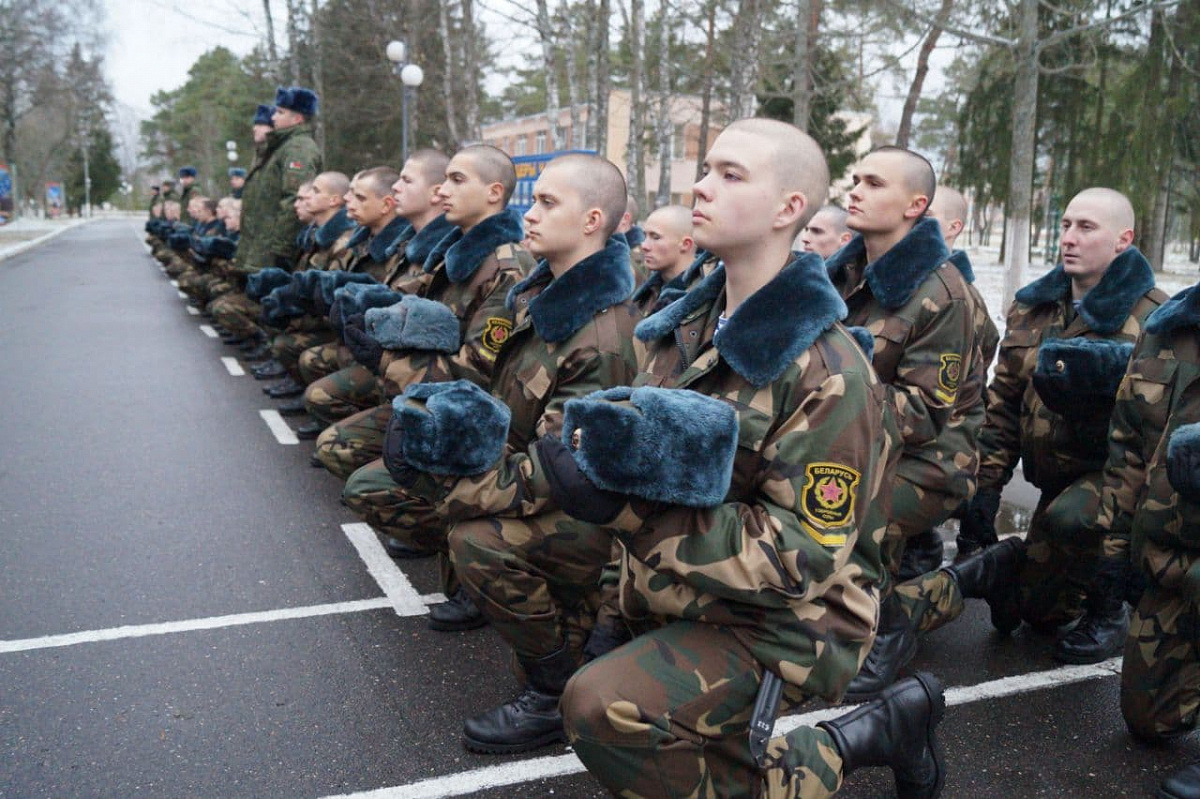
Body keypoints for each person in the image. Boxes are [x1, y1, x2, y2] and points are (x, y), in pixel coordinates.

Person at [557, 118, 941, 799]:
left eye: (731, 175)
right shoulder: (683, 329)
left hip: (796, 621)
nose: (701, 187)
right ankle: (867, 734)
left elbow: (802, 555)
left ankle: (843, 747)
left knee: (603, 706)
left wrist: (630, 515)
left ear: (789, 208)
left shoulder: (829, 369)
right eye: (706, 170)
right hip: (689, 590)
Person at [363, 153, 641, 754]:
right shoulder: (536, 294)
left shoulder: (602, 335)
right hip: (521, 473)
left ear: (593, 219)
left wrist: (449, 491)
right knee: (391, 481)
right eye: (532, 199)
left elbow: (557, 470)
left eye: (547, 203)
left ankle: (552, 690)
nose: (529, 214)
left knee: (476, 539)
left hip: (590, 518)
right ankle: (502, 600)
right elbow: (485, 388)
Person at [954, 187, 1167, 665]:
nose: (1069, 238)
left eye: (1086, 228)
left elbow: (1151, 445)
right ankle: (1042, 568)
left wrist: (1118, 564)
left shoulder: (1153, 321)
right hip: (1053, 482)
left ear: (1123, 240)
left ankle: (1109, 609)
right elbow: (1004, 404)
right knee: (1037, 614)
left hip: (1117, 482)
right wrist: (984, 493)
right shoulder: (1035, 309)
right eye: (1066, 225)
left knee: (1068, 518)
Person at [340, 144, 533, 612]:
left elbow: (475, 369)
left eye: (456, 180)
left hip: (473, 422)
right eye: (443, 179)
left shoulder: (505, 268)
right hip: (434, 401)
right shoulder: (456, 254)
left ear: (493, 192)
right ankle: (453, 549)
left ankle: (472, 567)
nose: (442, 190)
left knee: (382, 481)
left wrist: (386, 360)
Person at [825, 146, 987, 700]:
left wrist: (820, 407)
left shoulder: (943, 294)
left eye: (874, 183)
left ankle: (891, 629)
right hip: (856, 443)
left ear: (916, 205)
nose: (856, 191)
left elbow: (922, 412)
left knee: (844, 511)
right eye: (855, 179)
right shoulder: (841, 276)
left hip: (933, 459)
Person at [1085, 278, 1200, 798]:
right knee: (1149, 719)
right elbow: (1129, 447)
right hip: (1174, 560)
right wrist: (1117, 552)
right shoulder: (1167, 330)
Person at [311, 150, 457, 473]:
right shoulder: (412, 246)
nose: (397, 189)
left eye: (406, 180)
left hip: (429, 387)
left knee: (328, 420)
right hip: (400, 371)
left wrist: (384, 358)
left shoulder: (453, 255)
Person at [896, 185, 1000, 580]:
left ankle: (962, 579)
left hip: (936, 450)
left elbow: (960, 391)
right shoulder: (905, 284)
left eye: (928, 215)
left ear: (954, 226)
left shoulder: (955, 296)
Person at [288, 166, 409, 425]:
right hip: (359, 342)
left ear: (386, 204)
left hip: (391, 359)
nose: (347, 201)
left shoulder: (403, 248)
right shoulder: (363, 241)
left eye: (359, 197)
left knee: (316, 381)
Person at [237, 87, 321, 278]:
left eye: (280, 112)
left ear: (297, 119)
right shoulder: (281, 147)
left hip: (273, 250)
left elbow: (294, 199)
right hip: (263, 246)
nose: (273, 117)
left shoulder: (299, 148)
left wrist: (281, 249)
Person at [629, 204, 696, 314]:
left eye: (655, 237)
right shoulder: (645, 294)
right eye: (645, 236)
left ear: (685, 244)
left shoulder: (702, 297)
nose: (644, 246)